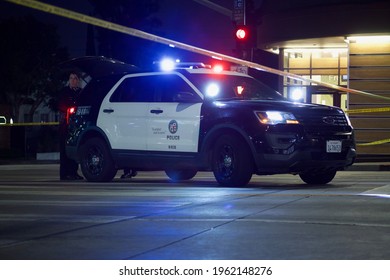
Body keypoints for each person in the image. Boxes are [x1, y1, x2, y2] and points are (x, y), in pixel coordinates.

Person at [58, 72, 83, 180]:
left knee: (74, 148)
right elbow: (60, 105)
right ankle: (64, 174)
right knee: (64, 150)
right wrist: (69, 109)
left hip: (76, 125)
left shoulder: (81, 92)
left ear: (78, 80)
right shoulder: (64, 91)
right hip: (65, 125)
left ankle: (73, 172)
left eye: (75, 78)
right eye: (71, 78)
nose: (73, 80)